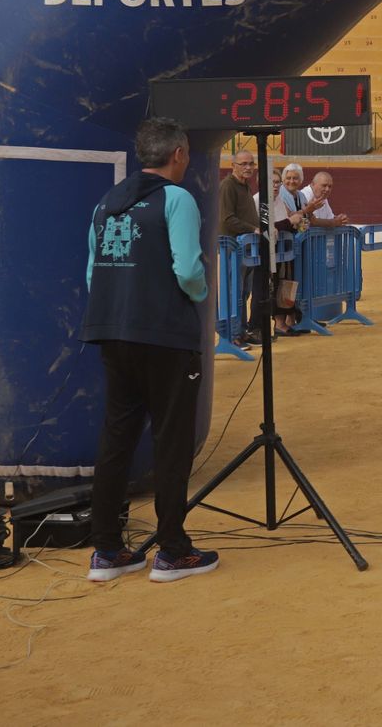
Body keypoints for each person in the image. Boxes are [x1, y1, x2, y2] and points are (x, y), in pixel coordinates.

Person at [82, 118, 218, 583]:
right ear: (178, 153)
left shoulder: (106, 202)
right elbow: (188, 270)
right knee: (172, 441)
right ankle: (173, 551)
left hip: (112, 332)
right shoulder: (176, 199)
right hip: (164, 335)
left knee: (116, 439)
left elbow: (92, 271)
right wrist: (199, 296)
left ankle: (106, 550)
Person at [271, 163, 323, 337]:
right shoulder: (280, 195)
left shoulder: (300, 195)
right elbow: (291, 218)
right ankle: (280, 323)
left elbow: (305, 218)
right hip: (282, 247)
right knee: (282, 282)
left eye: (295, 178)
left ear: (301, 180)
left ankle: (290, 319)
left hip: (294, 246)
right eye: (288, 178)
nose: (291, 181)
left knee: (292, 281)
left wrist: (306, 213)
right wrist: (306, 211)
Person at [218, 149, 263, 346]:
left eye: (251, 163)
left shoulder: (245, 186)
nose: (248, 167)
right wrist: (253, 229)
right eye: (243, 163)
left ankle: (241, 331)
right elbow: (227, 219)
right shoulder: (228, 186)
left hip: (245, 247)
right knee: (234, 292)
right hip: (233, 247)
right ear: (233, 166)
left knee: (243, 292)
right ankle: (232, 335)